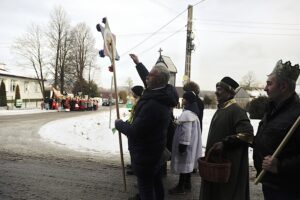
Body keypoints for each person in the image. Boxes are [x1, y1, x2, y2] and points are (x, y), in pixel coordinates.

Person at [115, 54, 179, 200]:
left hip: (146, 154)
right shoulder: (162, 91)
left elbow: (135, 132)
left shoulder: (153, 104)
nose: (147, 78)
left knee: (146, 189)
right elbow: (148, 76)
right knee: (156, 182)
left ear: (157, 80)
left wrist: (119, 124)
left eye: (150, 75)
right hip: (155, 151)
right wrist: (138, 63)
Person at [199, 76, 254, 200]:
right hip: (216, 163)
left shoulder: (237, 111)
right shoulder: (221, 109)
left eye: (220, 89)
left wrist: (225, 144)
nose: (216, 92)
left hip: (229, 165)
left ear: (229, 92)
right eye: (216, 88)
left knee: (226, 194)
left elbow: (247, 134)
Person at [253, 60, 300, 200]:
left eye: (269, 84)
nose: (265, 88)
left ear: (283, 87)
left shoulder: (297, 115)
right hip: (270, 185)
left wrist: (280, 166)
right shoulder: (272, 109)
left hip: (289, 190)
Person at [169, 91, 202, 195]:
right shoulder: (192, 113)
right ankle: (187, 184)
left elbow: (186, 132)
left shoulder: (187, 114)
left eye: (183, 98)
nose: (182, 100)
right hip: (190, 145)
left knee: (184, 166)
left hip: (187, 146)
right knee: (188, 165)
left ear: (187, 100)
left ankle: (181, 187)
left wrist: (183, 145)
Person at [126, 85, 144, 176]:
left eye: (133, 92)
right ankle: (133, 165)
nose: (132, 94)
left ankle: (135, 168)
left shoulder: (140, 102)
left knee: (134, 150)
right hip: (132, 126)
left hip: (135, 129)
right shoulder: (137, 101)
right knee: (131, 149)